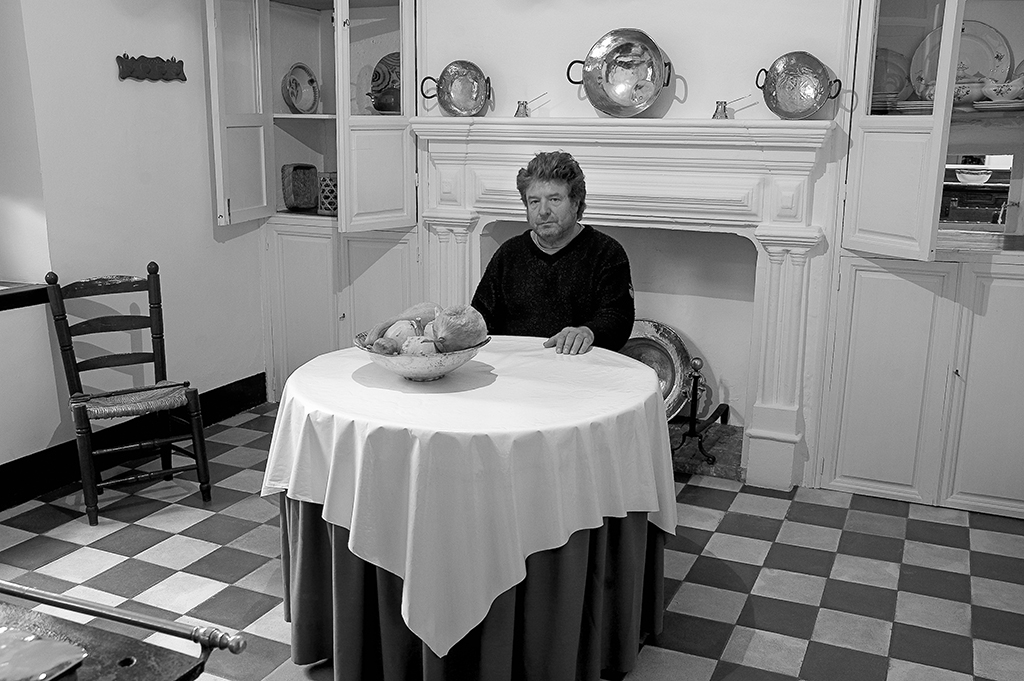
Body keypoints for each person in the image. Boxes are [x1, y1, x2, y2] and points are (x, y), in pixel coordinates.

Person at [471, 150, 634, 355]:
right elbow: (480, 318)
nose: (543, 211)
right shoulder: (509, 254)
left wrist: (587, 332)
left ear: (575, 203)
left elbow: (619, 319)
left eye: (554, 199)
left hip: (579, 368)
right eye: (534, 201)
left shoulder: (606, 253)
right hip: (515, 369)